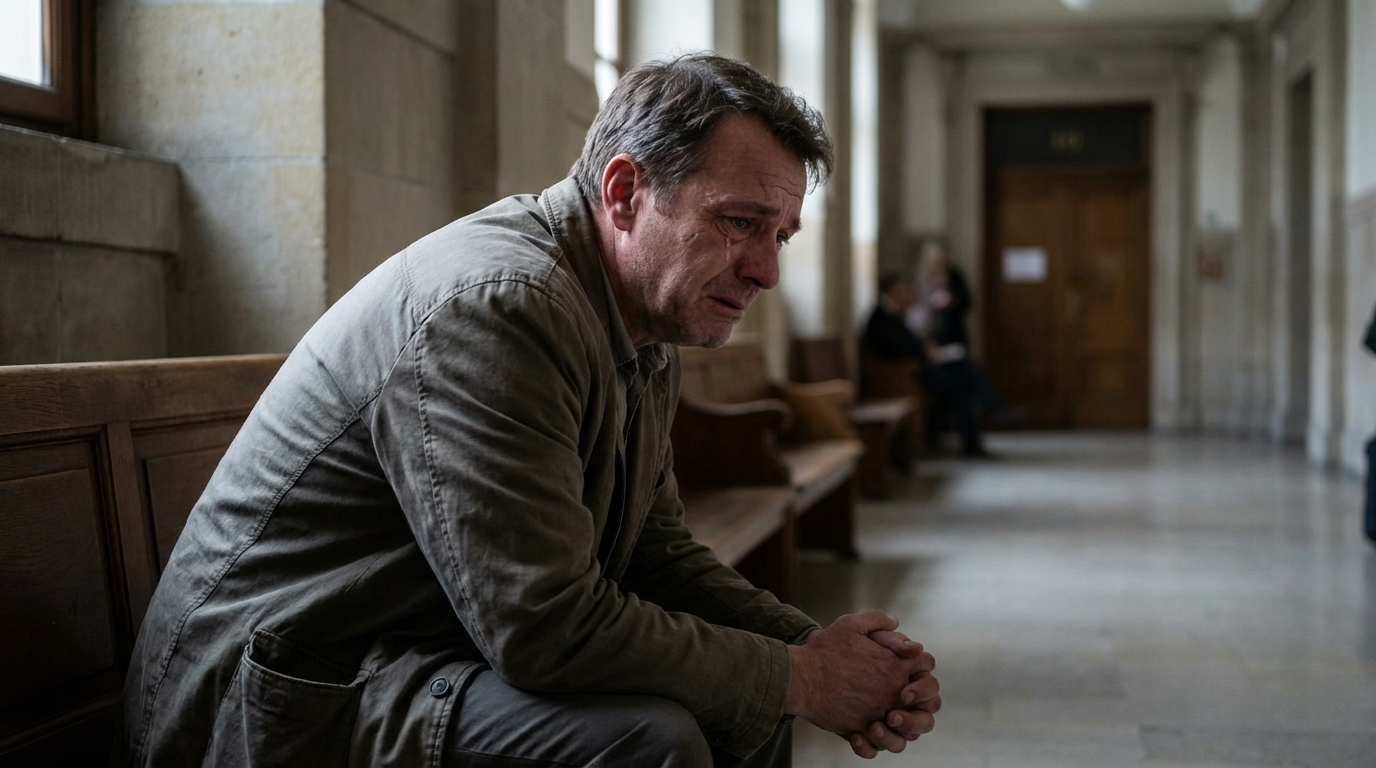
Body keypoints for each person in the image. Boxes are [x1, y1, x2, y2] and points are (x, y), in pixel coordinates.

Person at [120, 54, 940, 767]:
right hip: (273, 696)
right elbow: (543, 627)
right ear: (624, 192)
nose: (763, 270)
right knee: (649, 741)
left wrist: (811, 649)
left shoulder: (641, 320)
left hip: (403, 658)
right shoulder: (498, 306)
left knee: (744, 703)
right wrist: (802, 679)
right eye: (739, 224)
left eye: (781, 237)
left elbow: (654, 554)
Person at [908, 240, 996, 458]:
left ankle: (984, 410)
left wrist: (952, 301)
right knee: (962, 382)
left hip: (950, 342)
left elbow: (967, 302)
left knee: (963, 377)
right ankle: (990, 404)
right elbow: (917, 322)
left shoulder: (955, 275)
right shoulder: (921, 282)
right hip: (930, 349)